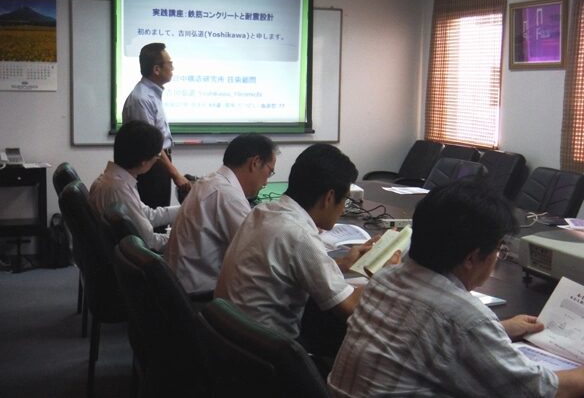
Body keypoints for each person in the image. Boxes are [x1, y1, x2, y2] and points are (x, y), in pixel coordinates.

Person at [328, 179, 584, 397]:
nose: (498, 256)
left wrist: (501, 329)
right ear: (471, 258)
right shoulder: (466, 318)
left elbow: (427, 332)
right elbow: (540, 390)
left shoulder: (385, 278)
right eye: (498, 249)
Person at [215, 144, 377, 351]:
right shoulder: (299, 234)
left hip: (229, 340)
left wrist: (343, 264)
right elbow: (350, 307)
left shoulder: (263, 211)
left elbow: (290, 267)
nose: (344, 208)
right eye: (345, 199)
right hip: (267, 354)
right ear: (329, 197)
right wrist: (384, 273)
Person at [166, 133, 278, 299]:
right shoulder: (227, 195)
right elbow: (257, 256)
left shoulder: (209, 181)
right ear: (255, 163)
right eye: (269, 172)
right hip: (202, 297)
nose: (266, 182)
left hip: (180, 289)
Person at [89, 121, 180, 253]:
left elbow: (148, 215)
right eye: (157, 156)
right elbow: (149, 242)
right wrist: (186, 240)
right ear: (143, 162)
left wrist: (187, 208)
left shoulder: (114, 180)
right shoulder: (118, 189)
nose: (157, 160)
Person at [122, 42, 190, 211]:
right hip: (150, 168)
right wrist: (175, 174)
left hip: (158, 164)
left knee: (160, 212)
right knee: (154, 217)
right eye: (170, 63)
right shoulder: (141, 99)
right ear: (156, 69)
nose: (173, 68)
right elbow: (151, 146)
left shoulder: (152, 94)